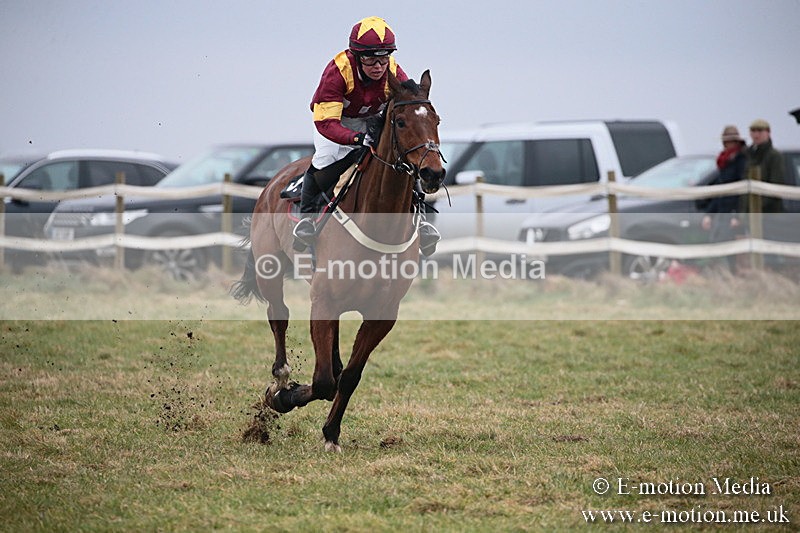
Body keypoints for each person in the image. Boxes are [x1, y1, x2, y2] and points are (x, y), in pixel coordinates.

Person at [293, 16, 440, 255]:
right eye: (371, 60)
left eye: (383, 59)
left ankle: (421, 220)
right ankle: (306, 219)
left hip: (372, 117)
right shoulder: (338, 71)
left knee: (401, 158)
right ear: (357, 56)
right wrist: (357, 139)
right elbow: (326, 124)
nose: (378, 67)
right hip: (335, 119)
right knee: (326, 158)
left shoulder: (391, 68)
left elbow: (410, 99)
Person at [701, 126, 747, 270]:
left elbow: (742, 192)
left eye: (730, 141)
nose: (727, 144)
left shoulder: (741, 161)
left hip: (732, 212)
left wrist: (737, 215)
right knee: (717, 244)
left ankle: (732, 274)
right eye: (725, 142)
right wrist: (710, 213)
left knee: (729, 247)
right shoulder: (725, 161)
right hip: (722, 211)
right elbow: (720, 190)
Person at [744, 119, 785, 214]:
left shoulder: (774, 156)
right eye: (753, 131)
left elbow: (776, 185)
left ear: (768, 133)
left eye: (760, 131)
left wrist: (756, 206)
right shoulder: (747, 155)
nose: (756, 135)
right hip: (749, 212)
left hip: (769, 213)